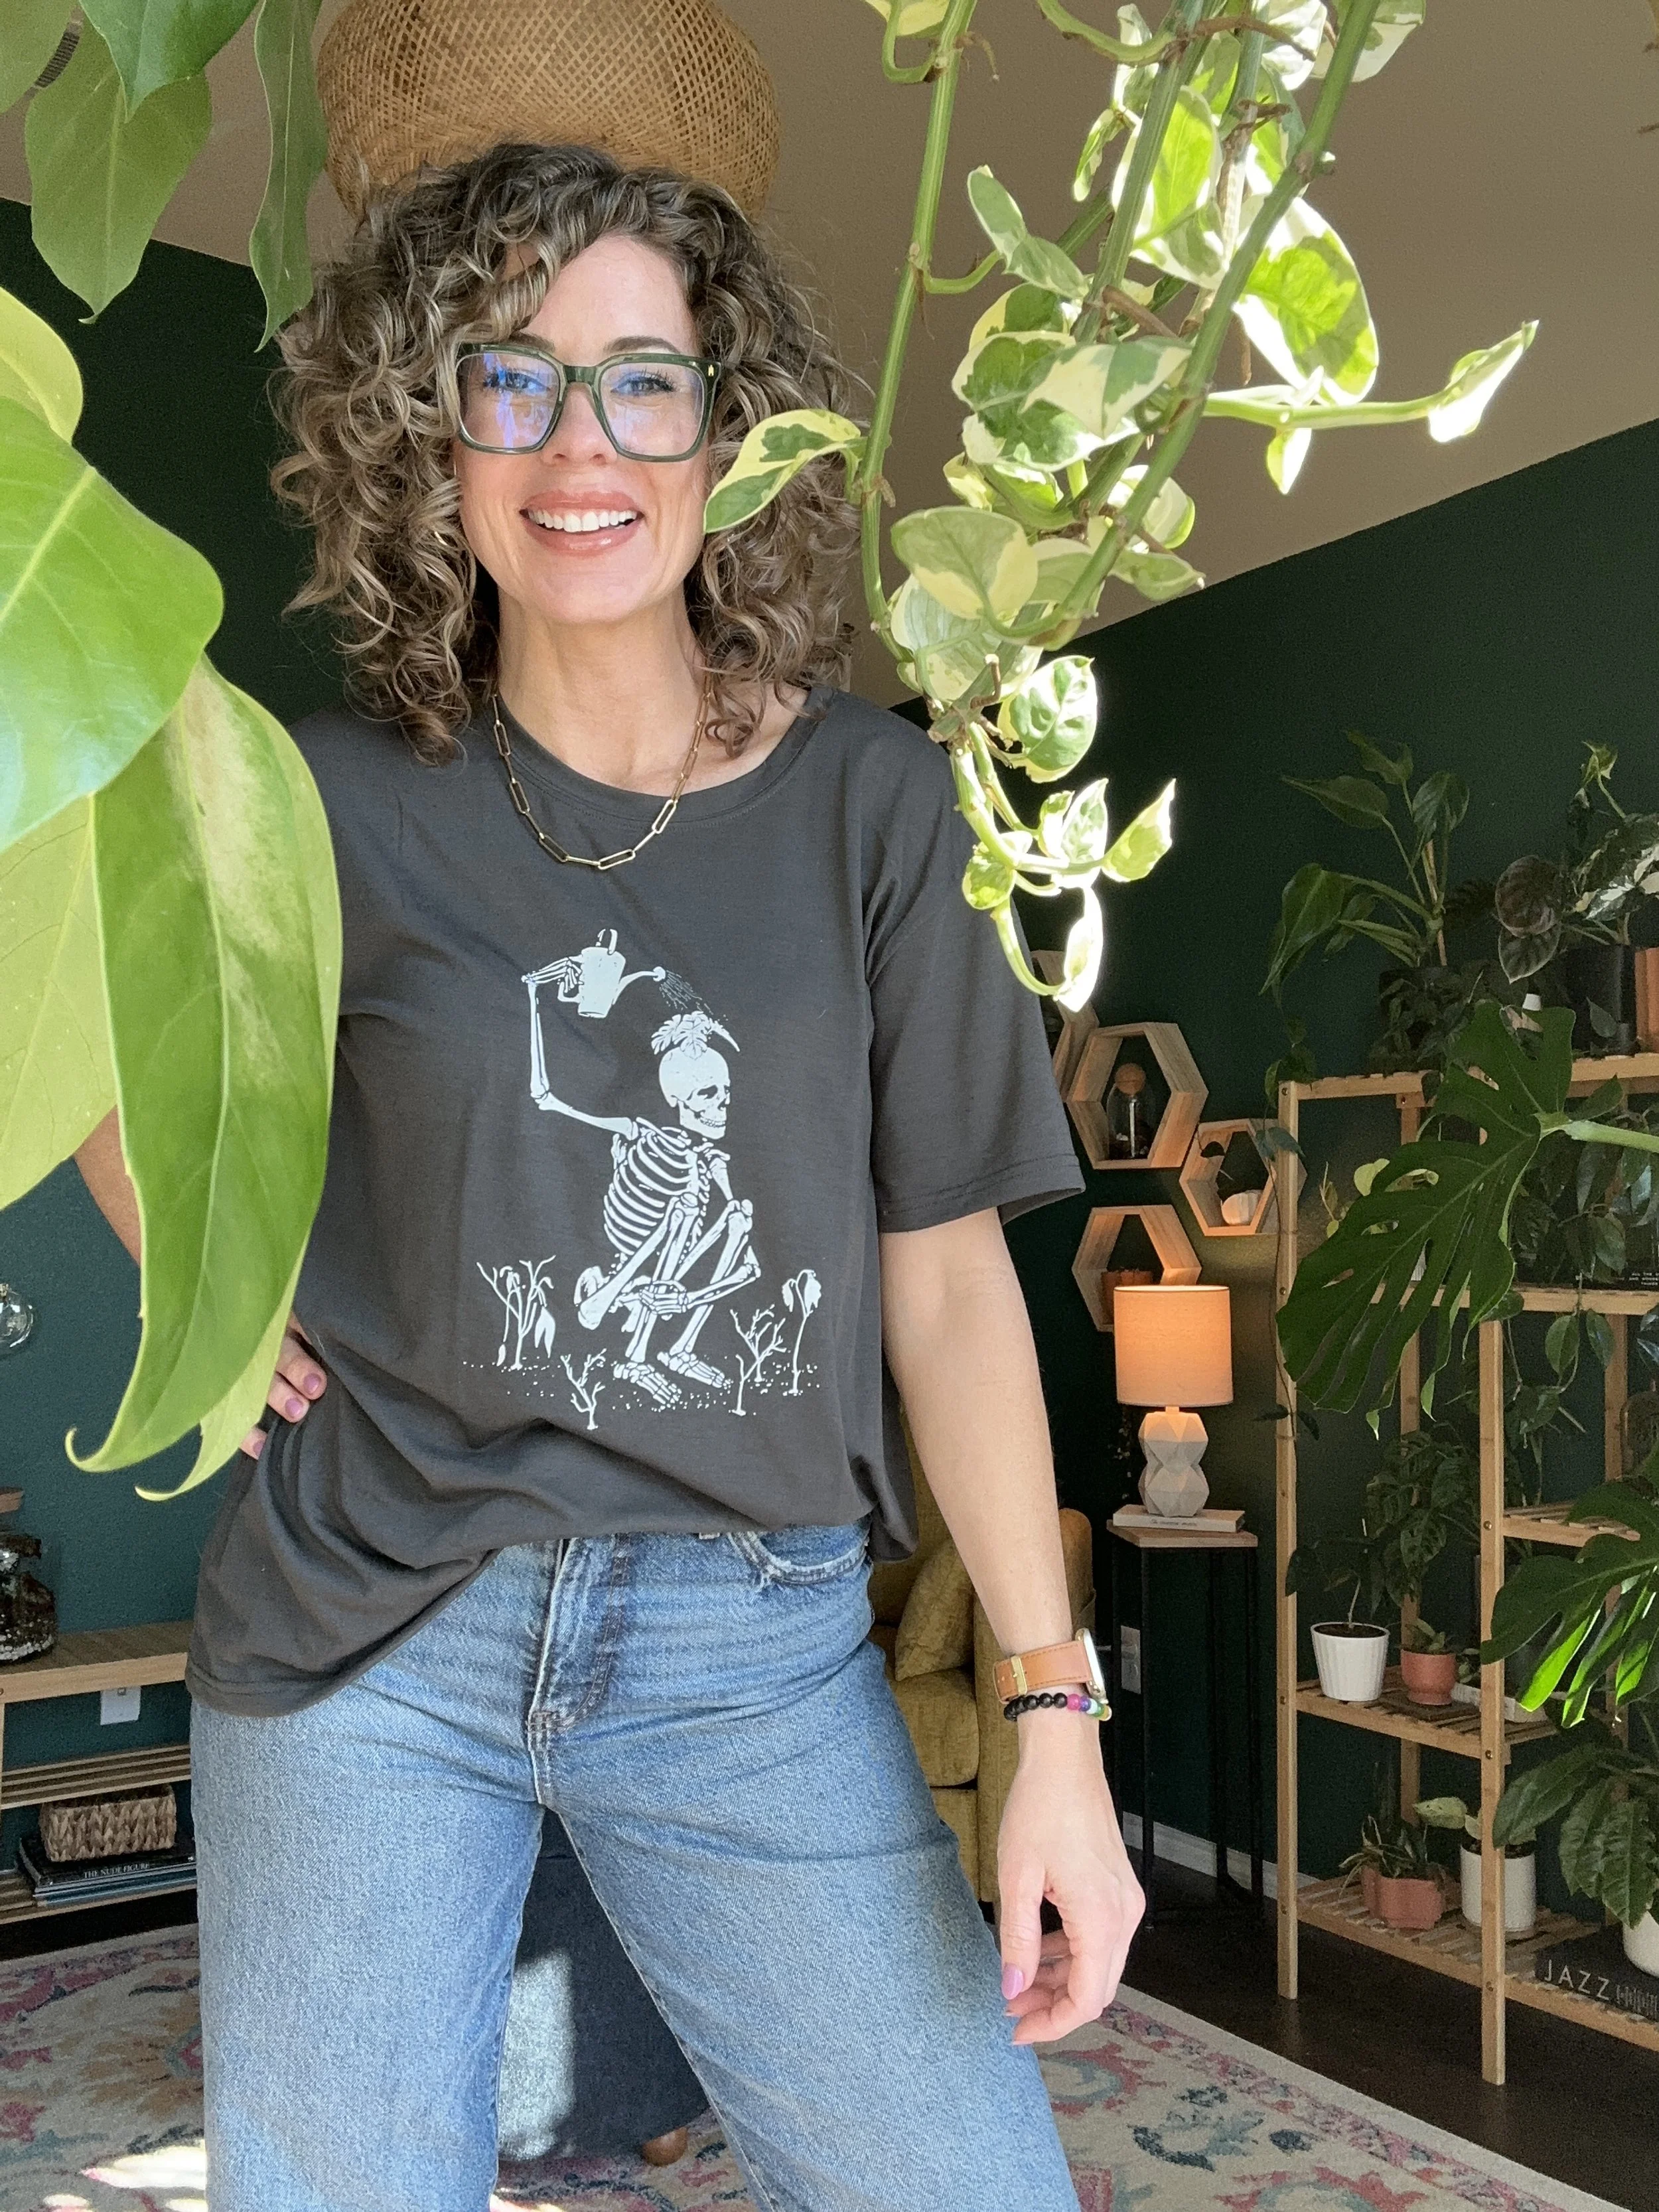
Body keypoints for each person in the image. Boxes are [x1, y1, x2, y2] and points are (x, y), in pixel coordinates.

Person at [74, 141, 1142, 2212]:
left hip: (753, 1640)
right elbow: (110, 1068)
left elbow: (943, 1284)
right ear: (435, 434)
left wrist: (1050, 1718)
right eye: (515, 377)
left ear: (731, 437)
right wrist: (212, 1306)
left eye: (646, 381)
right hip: (372, 1626)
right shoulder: (326, 800)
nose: (583, 445)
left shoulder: (874, 805)